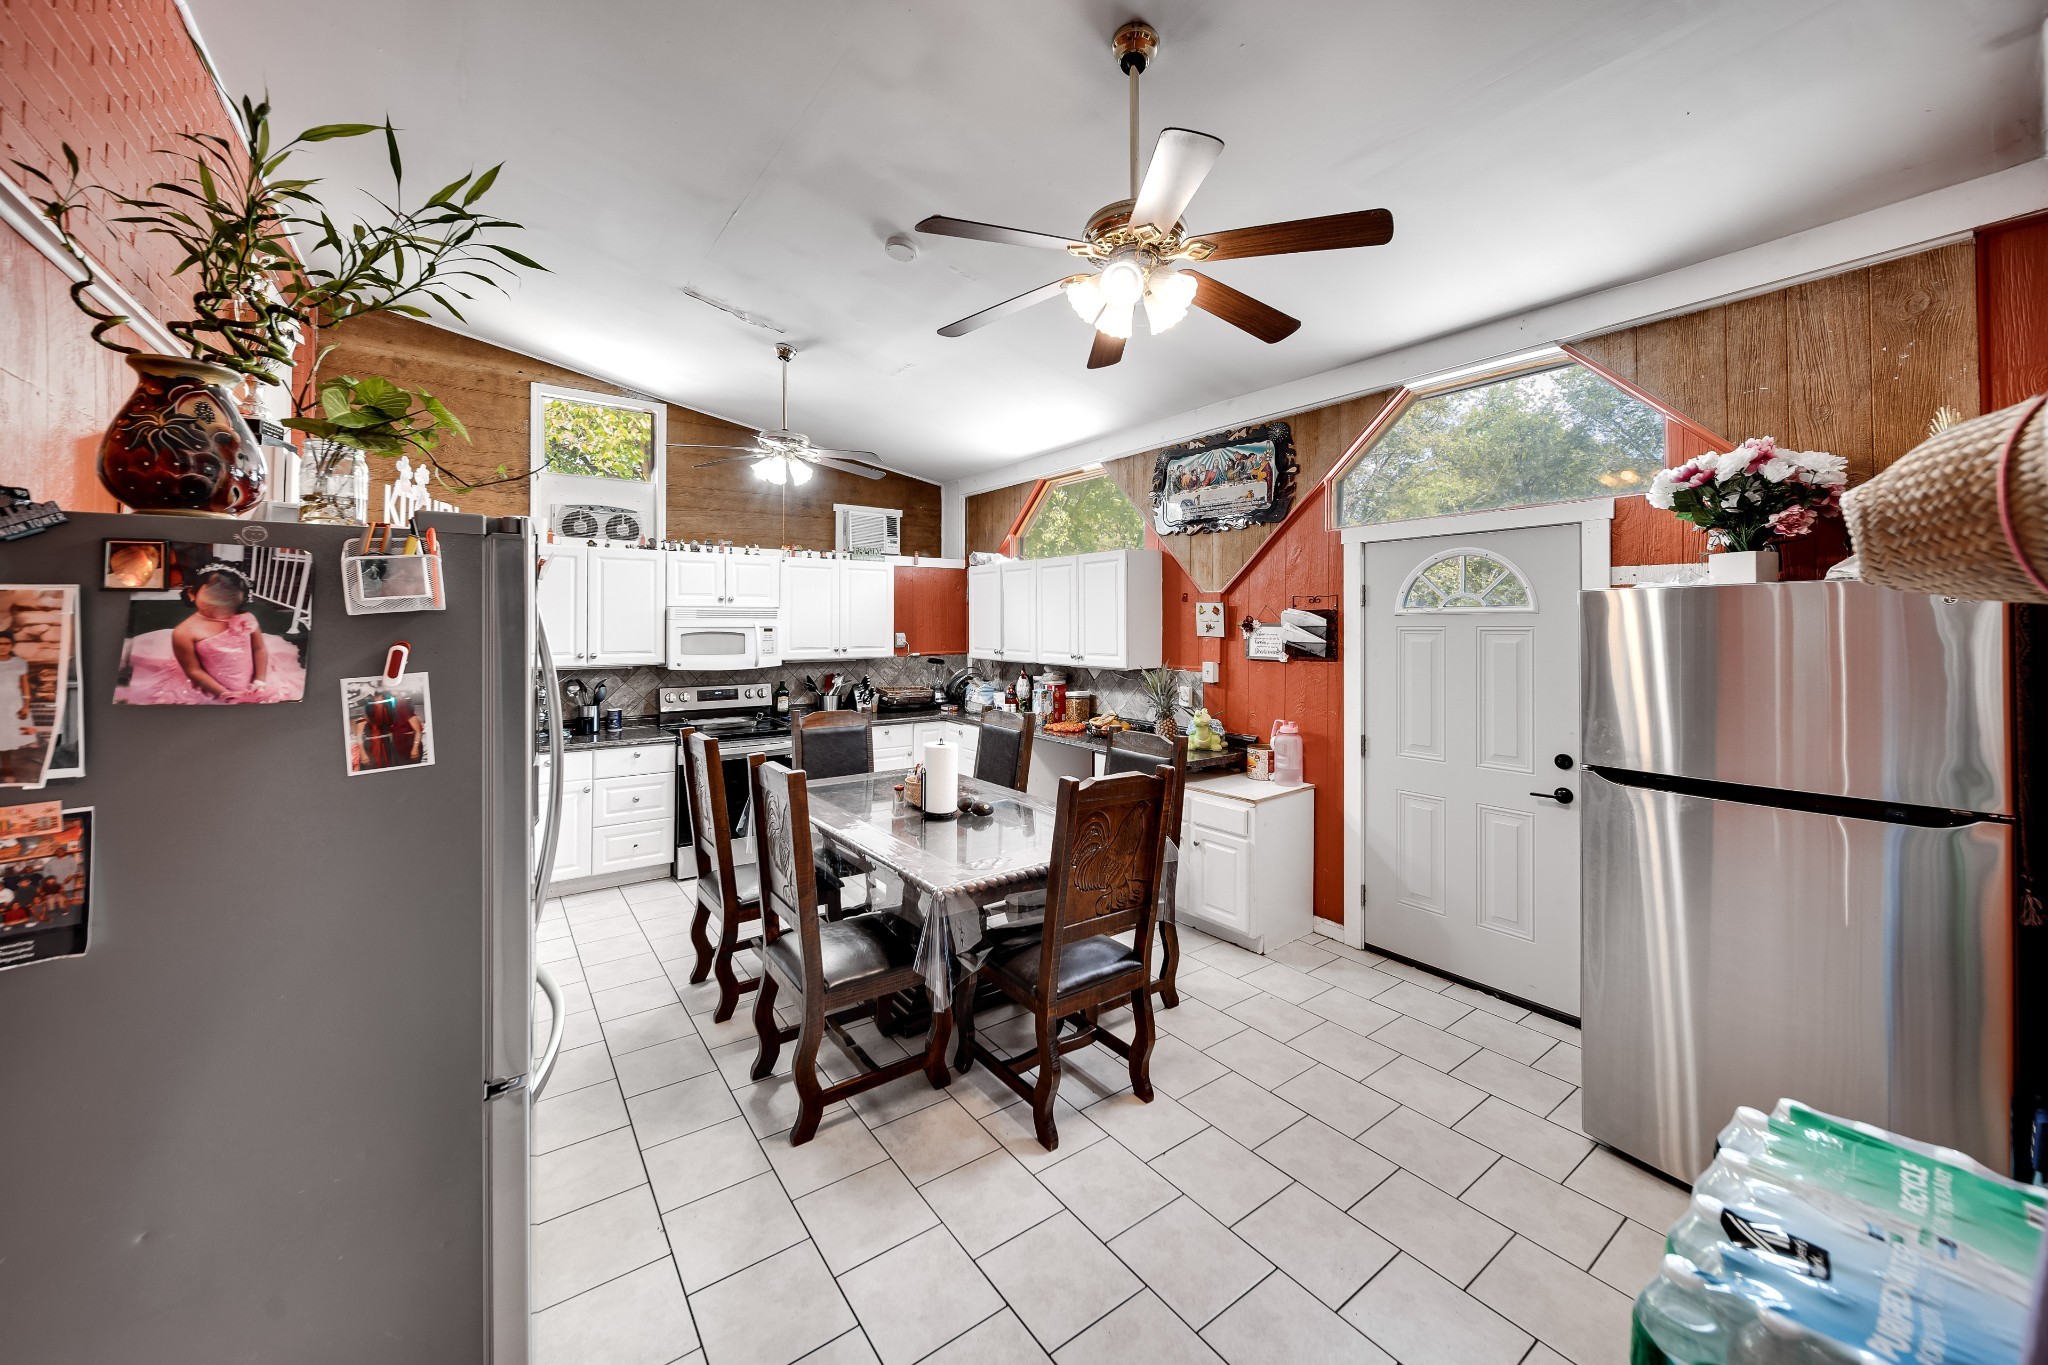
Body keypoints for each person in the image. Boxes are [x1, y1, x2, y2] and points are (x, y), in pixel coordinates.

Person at [114, 563, 307, 705]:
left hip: (251, 678)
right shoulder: (185, 631)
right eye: (213, 596)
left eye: (230, 598)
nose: (221, 603)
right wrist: (225, 694)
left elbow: (258, 649)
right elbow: (194, 670)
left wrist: (260, 680)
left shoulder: (246, 618)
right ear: (192, 593)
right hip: (208, 686)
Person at [0, 631, 38, 784]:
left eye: (6, 644)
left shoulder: (20, 663)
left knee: (7, 737)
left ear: (12, 645)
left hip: (11, 705)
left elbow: (25, 686)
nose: (2, 647)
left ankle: (6, 767)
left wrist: (26, 706)